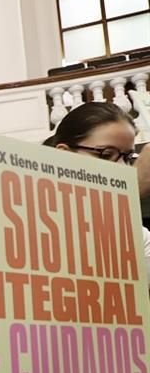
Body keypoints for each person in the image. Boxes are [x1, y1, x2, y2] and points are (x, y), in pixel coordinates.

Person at [44, 102, 150, 280]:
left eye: (127, 157)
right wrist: (131, 194)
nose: (122, 167)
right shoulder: (36, 218)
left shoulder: (138, 234)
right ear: (63, 154)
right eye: (107, 154)